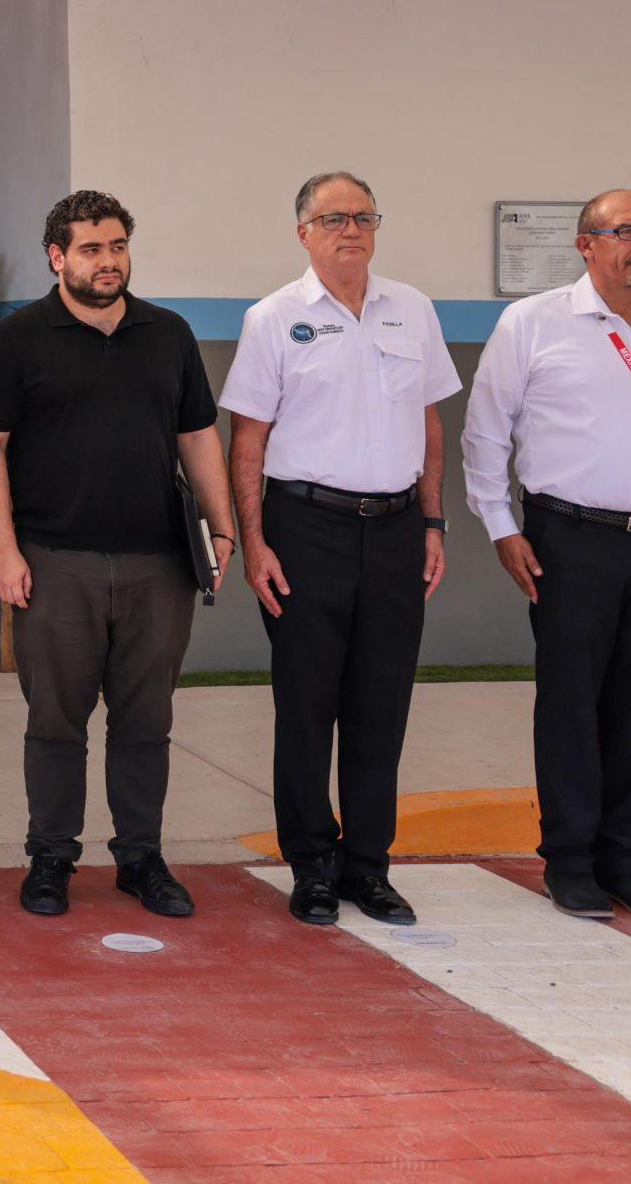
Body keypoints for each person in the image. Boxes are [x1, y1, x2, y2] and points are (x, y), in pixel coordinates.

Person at [0, 189, 234, 920]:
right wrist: (5, 551)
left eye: (117, 245)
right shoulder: (19, 339)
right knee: (55, 721)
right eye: (91, 248)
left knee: (146, 721)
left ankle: (141, 857)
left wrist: (224, 529)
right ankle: (51, 856)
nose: (108, 260)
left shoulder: (169, 334)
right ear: (58, 257)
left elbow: (196, 438)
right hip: (56, 563)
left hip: (159, 565)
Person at [463, 189, 631, 923]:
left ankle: (625, 856)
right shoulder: (534, 322)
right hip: (569, 538)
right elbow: (486, 432)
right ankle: (569, 860)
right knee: (573, 701)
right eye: (627, 231)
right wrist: (502, 526)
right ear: (585, 244)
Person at [222, 172, 459, 928]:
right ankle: (313, 866)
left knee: (379, 708)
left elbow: (429, 427)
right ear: (304, 232)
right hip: (304, 530)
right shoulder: (273, 318)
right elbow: (248, 440)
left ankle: (369, 867)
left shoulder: (412, 310)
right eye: (332, 218)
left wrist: (432, 523)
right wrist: (255, 542)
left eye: (362, 216)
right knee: (306, 707)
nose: (349, 229)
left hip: (394, 530)